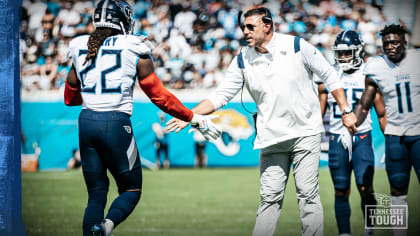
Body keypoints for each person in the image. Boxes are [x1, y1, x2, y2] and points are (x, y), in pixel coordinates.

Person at [167, 7, 357, 236]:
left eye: (250, 27)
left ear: (267, 26)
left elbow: (329, 74)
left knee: (308, 196)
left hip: (306, 132)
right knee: (269, 199)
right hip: (271, 137)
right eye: (242, 27)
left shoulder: (297, 46)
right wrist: (189, 115)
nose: (244, 32)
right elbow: (221, 95)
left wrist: (346, 109)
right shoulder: (241, 59)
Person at [64, 1, 221, 235]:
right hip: (115, 123)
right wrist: (194, 117)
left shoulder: (79, 45)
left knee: (96, 193)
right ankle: (106, 226)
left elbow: (70, 97)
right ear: (123, 20)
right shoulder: (134, 45)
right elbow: (160, 98)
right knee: (131, 189)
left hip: (86, 122)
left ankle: (93, 231)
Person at [317, 30, 386, 236]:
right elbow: (317, 116)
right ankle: (344, 233)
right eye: (341, 53)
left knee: (365, 187)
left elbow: (381, 112)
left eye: (348, 53)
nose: (344, 57)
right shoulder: (327, 77)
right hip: (337, 140)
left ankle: (369, 229)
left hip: (361, 138)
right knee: (340, 189)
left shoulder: (369, 75)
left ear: (358, 51)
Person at [354, 24, 420, 236]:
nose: (390, 47)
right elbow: (365, 103)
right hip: (395, 136)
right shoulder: (375, 66)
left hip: (419, 135)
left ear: (404, 42)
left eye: (394, 42)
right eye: (386, 44)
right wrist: (351, 123)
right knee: (397, 189)